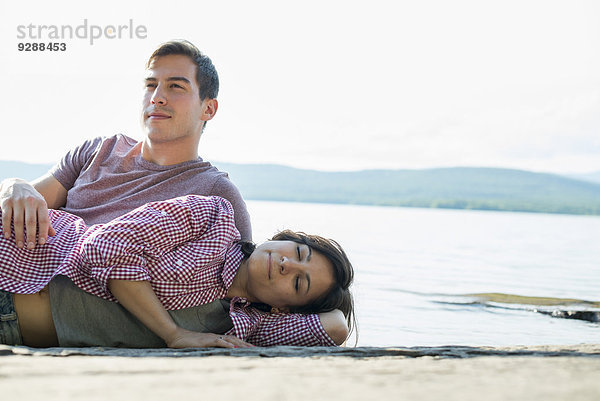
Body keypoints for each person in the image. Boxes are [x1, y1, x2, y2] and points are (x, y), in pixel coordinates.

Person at [0, 195, 354, 348]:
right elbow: (104, 245)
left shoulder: (246, 327)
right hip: (15, 258)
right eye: (298, 252)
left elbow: (334, 327)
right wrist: (172, 332)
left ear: (285, 310)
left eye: (298, 282)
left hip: (14, 333)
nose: (286, 263)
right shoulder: (212, 218)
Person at [0, 39, 252, 253]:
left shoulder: (217, 194)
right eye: (151, 85)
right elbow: (24, 203)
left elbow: (241, 288)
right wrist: (13, 185)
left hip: (74, 306)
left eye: (176, 86)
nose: (157, 98)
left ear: (208, 108)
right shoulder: (97, 152)